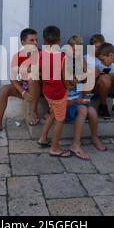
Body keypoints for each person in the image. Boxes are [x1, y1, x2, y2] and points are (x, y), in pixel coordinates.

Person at [0, 29, 41, 136]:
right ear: (23, 42)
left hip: (40, 89)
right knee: (4, 89)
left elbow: (47, 75)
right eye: (31, 40)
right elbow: (12, 78)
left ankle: (32, 111)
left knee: (32, 76)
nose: (35, 43)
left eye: (36, 40)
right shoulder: (18, 56)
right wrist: (23, 92)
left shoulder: (41, 54)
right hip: (25, 88)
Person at [64, 35, 107, 161]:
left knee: (92, 112)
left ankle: (94, 137)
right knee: (83, 110)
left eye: (79, 49)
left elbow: (88, 74)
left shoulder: (81, 61)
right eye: (73, 49)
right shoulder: (64, 62)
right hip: (67, 101)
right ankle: (75, 144)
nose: (76, 52)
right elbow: (67, 82)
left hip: (78, 98)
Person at [37, 26, 72, 158]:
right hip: (58, 93)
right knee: (60, 119)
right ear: (59, 40)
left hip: (47, 91)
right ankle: (55, 148)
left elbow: (39, 71)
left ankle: (43, 138)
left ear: (44, 40)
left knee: (53, 113)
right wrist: (69, 87)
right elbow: (65, 78)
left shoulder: (41, 54)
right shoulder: (62, 57)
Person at [86, 34, 114, 121]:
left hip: (109, 86)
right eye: (96, 47)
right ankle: (103, 105)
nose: (99, 49)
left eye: (100, 47)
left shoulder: (109, 57)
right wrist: (92, 74)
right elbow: (82, 79)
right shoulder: (86, 58)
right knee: (105, 78)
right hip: (95, 86)